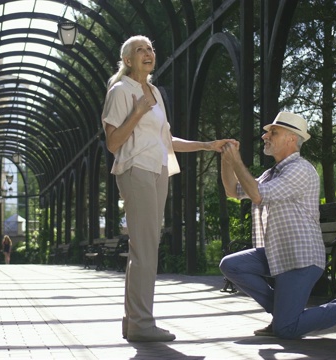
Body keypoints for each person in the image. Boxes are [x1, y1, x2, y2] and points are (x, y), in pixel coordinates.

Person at [101, 35, 237, 343]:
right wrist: (137, 111)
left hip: (158, 169)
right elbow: (113, 143)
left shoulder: (155, 93)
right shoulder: (121, 91)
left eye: (150, 48)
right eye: (140, 50)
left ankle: (133, 320)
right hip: (136, 169)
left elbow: (167, 140)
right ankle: (142, 323)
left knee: (146, 246)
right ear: (128, 60)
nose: (148, 52)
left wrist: (206, 145)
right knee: (145, 248)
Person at [218, 111, 336, 339]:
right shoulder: (272, 172)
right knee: (231, 265)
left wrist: (237, 161)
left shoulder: (300, 169)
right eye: (267, 132)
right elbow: (232, 191)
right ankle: (284, 313)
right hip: (276, 254)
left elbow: (256, 195)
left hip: (299, 260)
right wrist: (227, 161)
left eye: (273, 132)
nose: (265, 136)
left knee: (286, 329)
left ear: (292, 138)